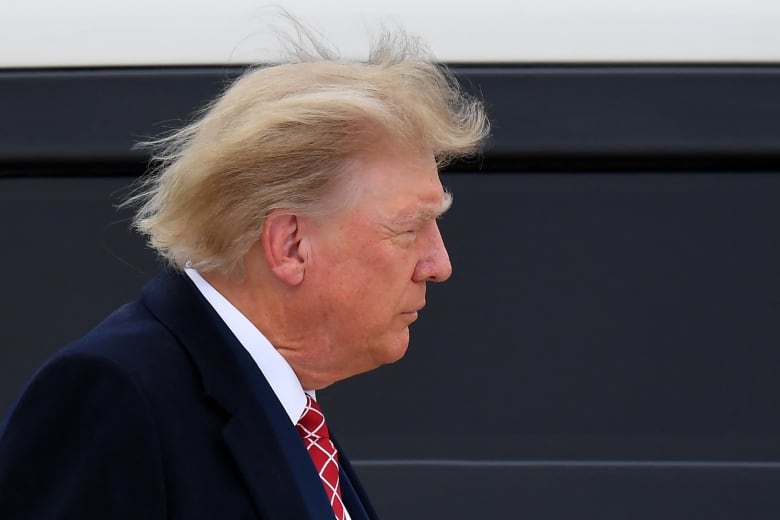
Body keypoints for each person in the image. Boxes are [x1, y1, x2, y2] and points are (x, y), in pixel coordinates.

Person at [0, 27, 488, 519]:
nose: (438, 264)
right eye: (410, 228)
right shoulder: (116, 395)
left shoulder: (284, 407)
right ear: (290, 244)